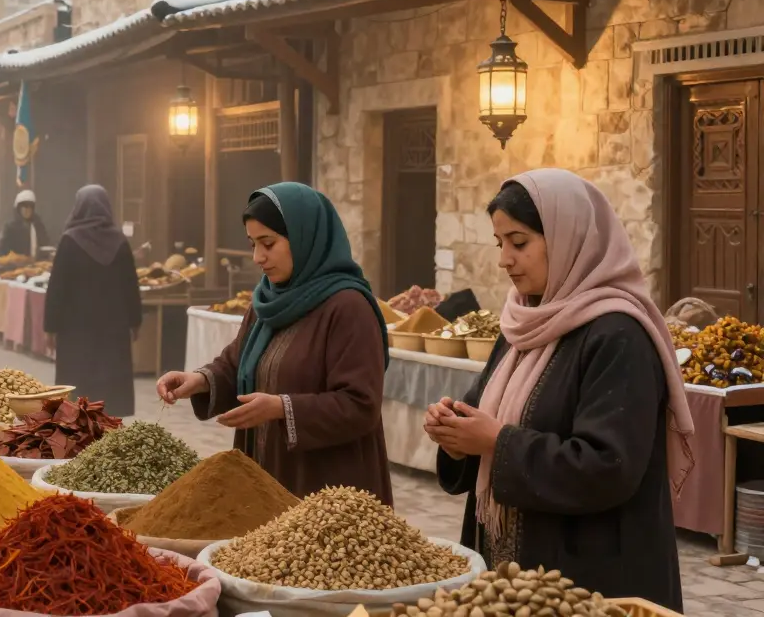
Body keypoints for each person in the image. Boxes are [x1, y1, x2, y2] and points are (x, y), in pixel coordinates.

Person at [424, 170, 691, 611]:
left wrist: (496, 441)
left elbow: (610, 465)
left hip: (591, 577)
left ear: (570, 239)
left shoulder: (618, 335)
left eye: (520, 242)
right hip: (511, 577)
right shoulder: (519, 327)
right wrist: (455, 436)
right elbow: (483, 420)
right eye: (500, 243)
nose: (505, 259)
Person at [156, 182, 392, 503]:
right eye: (253, 243)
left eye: (268, 243)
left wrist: (283, 408)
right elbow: (239, 362)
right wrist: (198, 381)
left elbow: (360, 405)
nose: (257, 257)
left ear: (305, 237)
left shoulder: (348, 308)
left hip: (328, 490)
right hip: (265, 480)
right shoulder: (267, 301)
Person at [44, 186, 141, 415]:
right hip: (113, 329)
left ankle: (77, 431)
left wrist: (50, 328)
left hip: (75, 330)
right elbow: (131, 285)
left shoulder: (70, 240)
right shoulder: (119, 241)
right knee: (110, 384)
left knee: (78, 385)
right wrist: (135, 321)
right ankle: (109, 428)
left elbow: (57, 287)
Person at [0, 189, 50, 259]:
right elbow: (2, 250)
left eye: (30, 207)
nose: (27, 210)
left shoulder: (38, 226)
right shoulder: (10, 228)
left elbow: (45, 245)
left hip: (37, 266)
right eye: (24, 207)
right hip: (16, 267)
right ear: (18, 208)